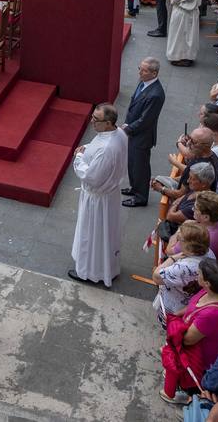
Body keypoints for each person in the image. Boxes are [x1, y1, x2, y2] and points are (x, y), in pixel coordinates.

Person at [161, 258, 218, 405]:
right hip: (202, 344)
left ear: (207, 283)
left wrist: (174, 328)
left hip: (199, 356)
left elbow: (188, 339)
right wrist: (179, 315)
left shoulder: (211, 314)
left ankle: (185, 394)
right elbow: (194, 305)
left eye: (199, 274)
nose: (197, 275)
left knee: (187, 378)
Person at [68, 102, 128, 286]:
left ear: (109, 122)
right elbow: (99, 146)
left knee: (92, 234)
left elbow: (91, 177)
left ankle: (89, 271)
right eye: (93, 117)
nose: (92, 122)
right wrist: (86, 148)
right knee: (106, 234)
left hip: (97, 199)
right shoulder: (119, 134)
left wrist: (78, 158)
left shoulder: (107, 148)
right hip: (109, 195)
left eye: (96, 119)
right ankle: (107, 267)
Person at [122, 58, 166, 207]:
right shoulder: (143, 82)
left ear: (154, 73)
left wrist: (127, 129)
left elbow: (146, 120)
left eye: (144, 70)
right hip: (134, 132)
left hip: (142, 136)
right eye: (140, 68)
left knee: (140, 166)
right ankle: (134, 188)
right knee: (132, 163)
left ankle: (140, 197)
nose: (140, 72)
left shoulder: (156, 94)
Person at [168, 0, 204, 66]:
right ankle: (180, 56)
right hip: (183, 12)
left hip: (185, 13)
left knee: (183, 36)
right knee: (181, 35)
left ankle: (183, 57)